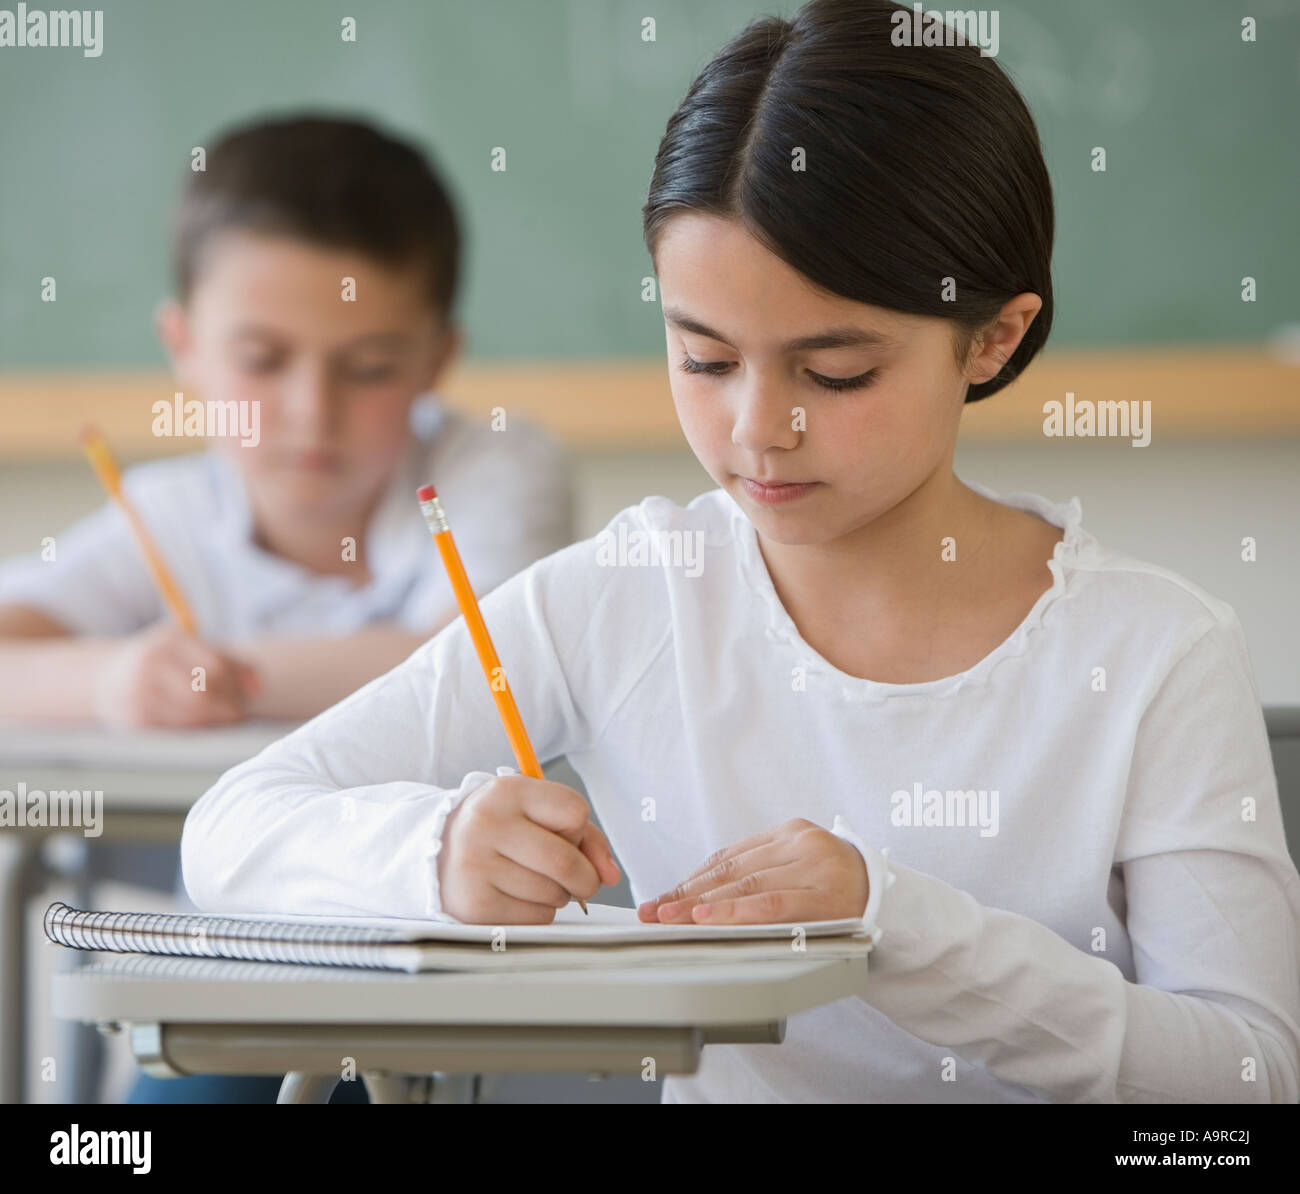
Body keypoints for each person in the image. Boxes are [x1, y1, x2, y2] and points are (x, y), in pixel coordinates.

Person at [181, 2, 1300, 1103]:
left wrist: (891, 923)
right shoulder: (629, 598)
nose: (760, 430)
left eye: (836, 372)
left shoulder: (1154, 653)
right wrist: (435, 851)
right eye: (705, 361)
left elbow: (1251, 1073)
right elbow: (232, 835)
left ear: (993, 337)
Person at [0, 114, 575, 1104]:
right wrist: (111, 677)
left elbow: (479, 652)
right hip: (232, 969)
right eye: (262, 359)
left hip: (462, 973)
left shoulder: (492, 464)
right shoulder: (172, 513)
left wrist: (233, 677)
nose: (311, 411)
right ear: (183, 347)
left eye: (368, 367)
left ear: (439, 357)